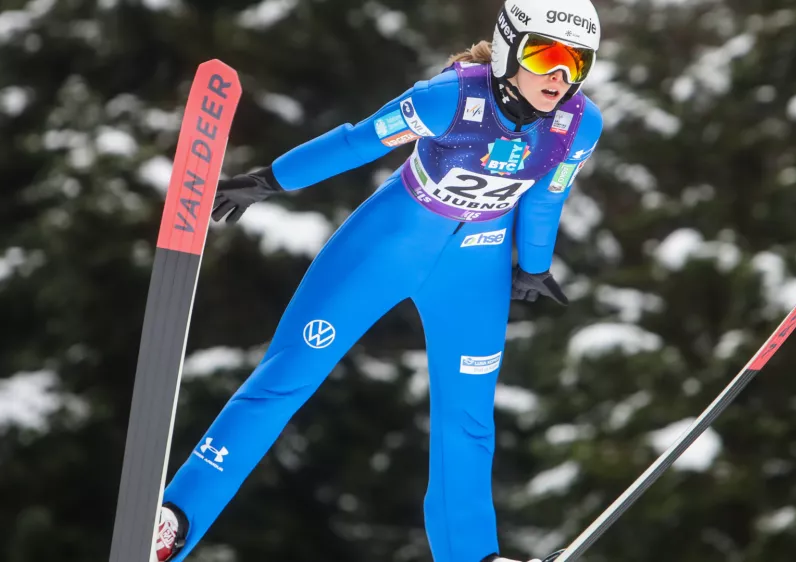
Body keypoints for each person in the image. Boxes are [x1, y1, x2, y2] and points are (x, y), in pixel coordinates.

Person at [153, 0, 603, 560]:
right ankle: (177, 514)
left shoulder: (578, 124)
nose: (560, 77)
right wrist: (272, 180)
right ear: (510, 48)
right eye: (545, 56)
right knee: (286, 377)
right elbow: (359, 140)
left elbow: (548, 196)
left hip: (476, 268)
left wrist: (534, 266)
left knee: (467, 421)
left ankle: (472, 555)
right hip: (387, 245)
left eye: (577, 63)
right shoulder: (450, 99)